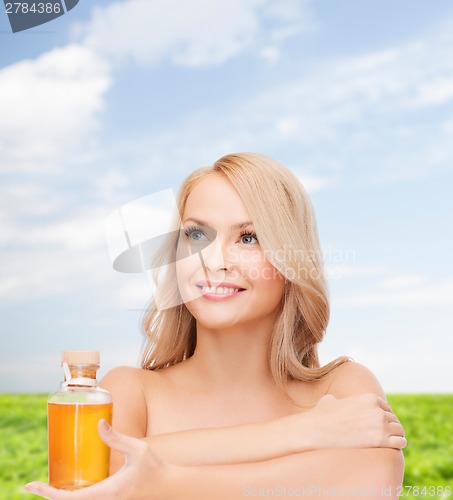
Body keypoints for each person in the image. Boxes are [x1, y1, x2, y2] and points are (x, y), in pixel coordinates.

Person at [25, 152, 406, 499]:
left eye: (249, 237)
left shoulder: (342, 387)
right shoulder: (129, 391)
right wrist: (305, 433)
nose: (215, 260)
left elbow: (373, 481)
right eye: (197, 234)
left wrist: (161, 480)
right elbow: (97, 473)